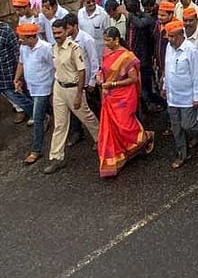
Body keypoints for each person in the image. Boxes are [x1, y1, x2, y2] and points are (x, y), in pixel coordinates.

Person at [44, 19, 100, 174]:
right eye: (54, 33)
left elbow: (81, 71)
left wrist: (78, 94)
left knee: (87, 117)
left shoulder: (74, 48)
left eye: (59, 32)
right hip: (59, 87)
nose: (56, 36)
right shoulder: (54, 48)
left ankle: (103, 140)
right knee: (60, 124)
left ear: (66, 31)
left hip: (73, 88)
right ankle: (56, 157)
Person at [97, 27, 154, 177]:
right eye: (105, 40)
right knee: (112, 128)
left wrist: (113, 84)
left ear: (116, 39)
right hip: (109, 96)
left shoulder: (127, 56)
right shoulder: (106, 52)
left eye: (109, 40)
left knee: (125, 126)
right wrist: (100, 77)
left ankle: (145, 137)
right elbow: (103, 69)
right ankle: (119, 155)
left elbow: (133, 79)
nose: (106, 43)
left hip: (124, 96)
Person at [161, 20, 198, 168]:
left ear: (181, 35)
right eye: (168, 36)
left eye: (172, 36)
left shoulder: (191, 50)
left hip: (187, 97)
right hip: (172, 96)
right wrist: (164, 86)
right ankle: (183, 154)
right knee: (176, 128)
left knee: (188, 125)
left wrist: (196, 96)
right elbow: (167, 69)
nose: (169, 39)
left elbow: (196, 75)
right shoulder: (169, 47)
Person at [14, 23, 54, 165]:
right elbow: (21, 63)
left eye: (22, 38)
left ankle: (36, 150)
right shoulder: (24, 48)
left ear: (30, 38)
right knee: (48, 112)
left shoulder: (46, 48)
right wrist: (17, 79)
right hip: (32, 87)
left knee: (37, 118)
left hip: (44, 87)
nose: (20, 40)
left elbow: (55, 66)